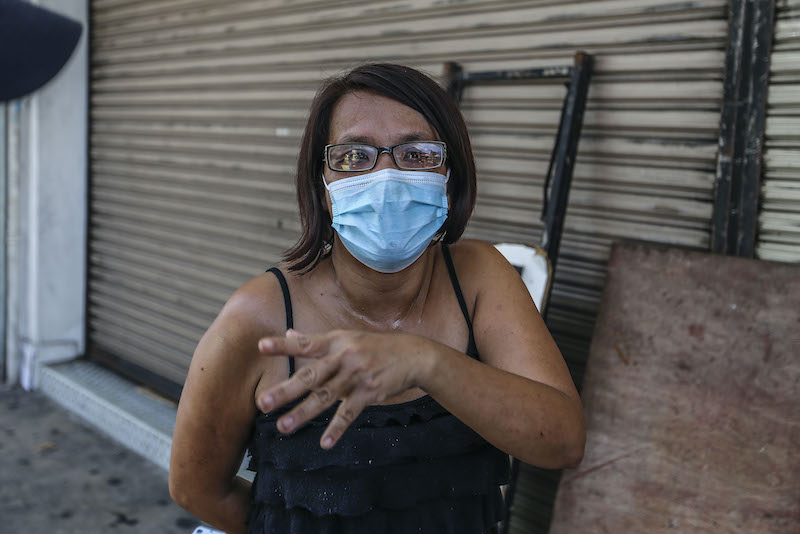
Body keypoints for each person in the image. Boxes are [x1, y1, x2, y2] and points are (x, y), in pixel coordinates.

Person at [169, 63, 585, 534]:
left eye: (417, 153)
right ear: (323, 188)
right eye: (354, 156)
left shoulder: (480, 276)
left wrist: (426, 362)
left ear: (450, 174)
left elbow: (564, 441)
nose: (387, 175)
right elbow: (197, 488)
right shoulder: (258, 316)